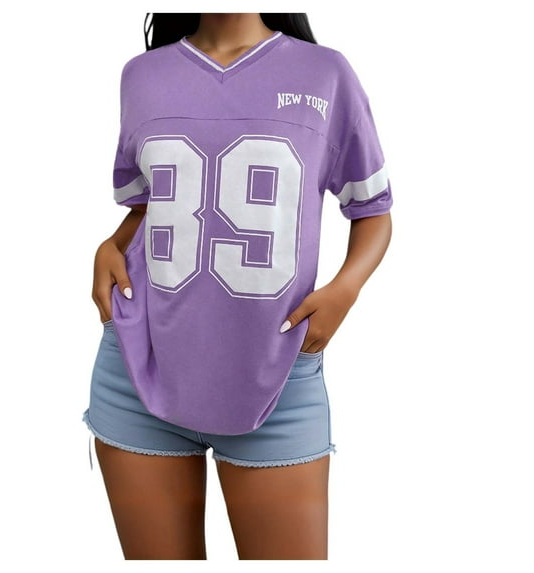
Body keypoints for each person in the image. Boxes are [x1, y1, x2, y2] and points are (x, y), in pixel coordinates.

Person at [82, 12, 393, 560]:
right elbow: (154, 203)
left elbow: (373, 210)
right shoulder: (141, 76)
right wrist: (112, 244)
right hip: (137, 371)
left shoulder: (326, 74)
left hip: (277, 375)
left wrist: (346, 290)